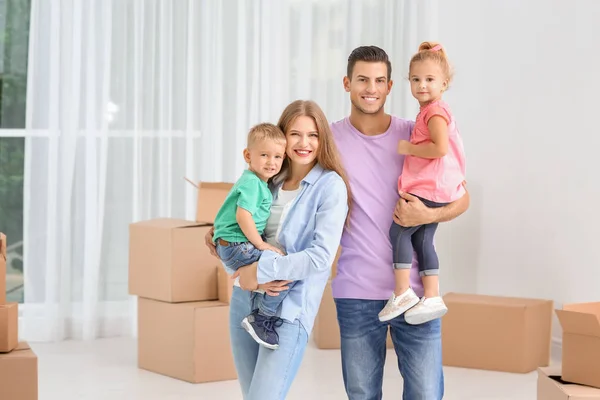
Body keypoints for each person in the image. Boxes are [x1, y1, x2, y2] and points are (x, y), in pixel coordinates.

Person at [331, 45, 470, 399]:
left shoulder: (417, 134)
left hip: (417, 294)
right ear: (347, 83)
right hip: (356, 290)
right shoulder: (329, 141)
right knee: (362, 394)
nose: (371, 88)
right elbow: (285, 178)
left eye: (379, 80)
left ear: (391, 86)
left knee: (425, 394)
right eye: (362, 79)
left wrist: (430, 214)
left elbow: (463, 197)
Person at [205, 100, 351, 400]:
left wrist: (257, 272)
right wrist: (228, 256)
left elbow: (320, 257)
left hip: (287, 311)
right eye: (295, 134)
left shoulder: (330, 186)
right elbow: (237, 232)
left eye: (313, 135)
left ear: (322, 139)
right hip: (244, 303)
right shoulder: (268, 178)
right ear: (282, 137)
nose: (304, 143)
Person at [378, 41, 466, 325]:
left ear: (444, 83)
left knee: (400, 232)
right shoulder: (430, 110)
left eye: (429, 80)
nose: (422, 85)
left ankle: (402, 291)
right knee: (423, 238)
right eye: (416, 79)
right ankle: (432, 296)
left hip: (429, 187)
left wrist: (409, 148)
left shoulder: (435, 112)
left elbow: (439, 148)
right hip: (439, 189)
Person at [212, 122, 289, 350]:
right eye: (264, 155)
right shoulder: (253, 183)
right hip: (238, 244)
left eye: (277, 157)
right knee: (283, 272)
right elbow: (243, 215)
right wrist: (261, 245)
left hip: (230, 245)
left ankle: (257, 294)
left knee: (275, 271)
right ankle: (262, 319)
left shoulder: (257, 183)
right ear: (248, 155)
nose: (271, 162)